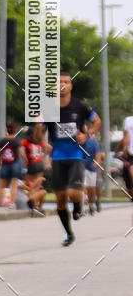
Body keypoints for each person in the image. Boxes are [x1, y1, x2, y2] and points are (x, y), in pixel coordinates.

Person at [34, 70, 100, 247]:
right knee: (61, 198)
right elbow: (40, 137)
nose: (62, 85)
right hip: (57, 158)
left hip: (76, 155)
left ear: (70, 86)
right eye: (59, 82)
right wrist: (39, 130)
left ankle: (78, 205)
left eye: (66, 82)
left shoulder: (80, 106)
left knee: (73, 193)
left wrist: (88, 135)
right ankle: (69, 234)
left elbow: (96, 121)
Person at [0, 122, 24, 209]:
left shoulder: (2, 140)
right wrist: (26, 161)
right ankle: (11, 203)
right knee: (14, 184)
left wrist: (0, 161)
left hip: (5, 164)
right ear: (15, 130)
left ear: (6, 129)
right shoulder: (16, 141)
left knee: (1, 185)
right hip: (15, 164)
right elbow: (20, 153)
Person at [21, 125, 47, 215]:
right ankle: (38, 205)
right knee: (38, 186)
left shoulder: (25, 141)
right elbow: (50, 148)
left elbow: (19, 149)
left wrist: (25, 159)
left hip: (31, 164)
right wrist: (42, 156)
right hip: (39, 164)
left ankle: (33, 204)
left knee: (31, 186)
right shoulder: (39, 142)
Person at [82, 128, 102, 215]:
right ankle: (82, 208)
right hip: (80, 168)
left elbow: (98, 153)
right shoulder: (77, 142)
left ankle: (91, 205)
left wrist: (96, 163)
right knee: (82, 187)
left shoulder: (93, 142)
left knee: (91, 189)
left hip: (91, 169)